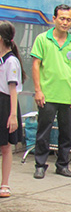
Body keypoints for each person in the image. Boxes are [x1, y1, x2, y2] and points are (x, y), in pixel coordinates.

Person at [31, 5, 71, 179]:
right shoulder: (42, 39)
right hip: (48, 94)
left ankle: (62, 165)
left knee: (66, 133)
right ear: (54, 19)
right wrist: (38, 90)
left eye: (68, 19)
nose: (65, 22)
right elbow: (36, 65)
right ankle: (40, 165)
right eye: (62, 18)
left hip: (67, 96)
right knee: (44, 131)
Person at [0, 21, 25, 198]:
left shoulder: (11, 61)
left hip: (6, 104)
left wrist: (13, 115)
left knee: (6, 146)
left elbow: (12, 89)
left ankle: (5, 184)